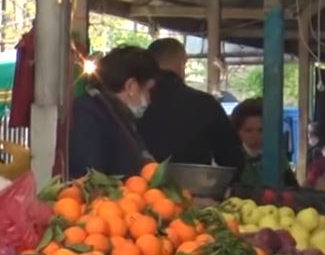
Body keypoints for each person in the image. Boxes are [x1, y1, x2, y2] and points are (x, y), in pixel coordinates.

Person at [138, 38, 243, 169]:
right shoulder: (204, 103)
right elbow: (231, 159)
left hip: (136, 185)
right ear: (182, 63)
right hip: (194, 186)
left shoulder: (132, 102)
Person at [69, 46, 159, 178]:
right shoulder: (88, 114)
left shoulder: (119, 116)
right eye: (148, 90)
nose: (149, 99)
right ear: (131, 86)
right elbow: (89, 178)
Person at [229, 98, 299, 187]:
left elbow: (293, 188)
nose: (255, 135)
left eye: (261, 130)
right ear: (237, 131)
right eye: (248, 130)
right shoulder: (231, 158)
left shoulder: (277, 157)